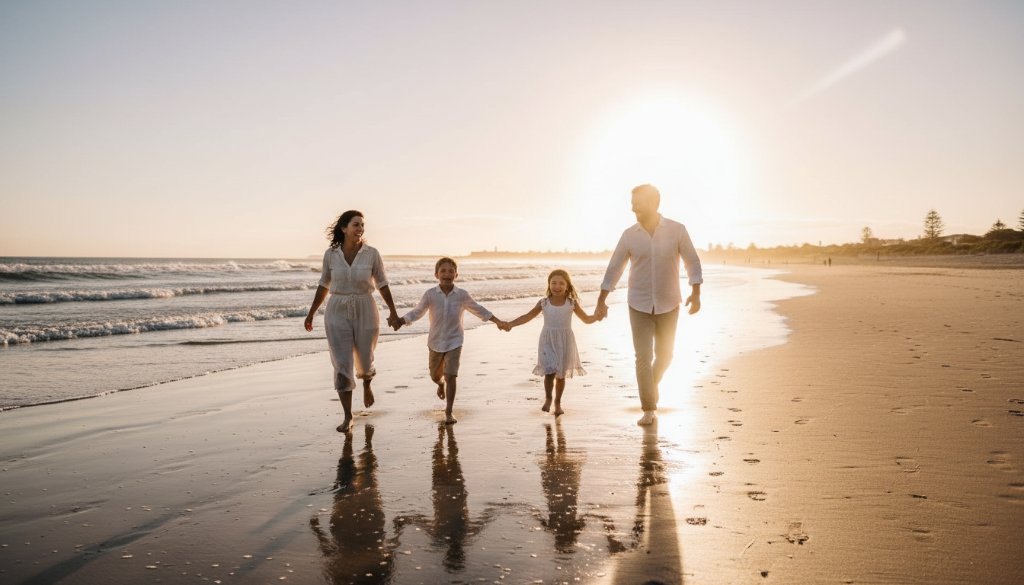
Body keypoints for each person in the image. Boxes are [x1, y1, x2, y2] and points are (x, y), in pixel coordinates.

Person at [596, 184, 703, 426]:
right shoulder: (629, 235)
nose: (633, 206)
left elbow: (692, 262)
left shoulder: (677, 230)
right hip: (638, 304)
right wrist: (602, 299)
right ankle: (648, 408)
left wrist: (695, 291)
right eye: (632, 202)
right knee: (642, 358)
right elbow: (615, 267)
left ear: (654, 202)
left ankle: (650, 385)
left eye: (638, 201)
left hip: (669, 302)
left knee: (665, 355)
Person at [304, 210, 400, 433]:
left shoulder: (371, 253)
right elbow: (323, 284)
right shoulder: (331, 254)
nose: (360, 229)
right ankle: (348, 417)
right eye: (355, 225)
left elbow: (383, 283)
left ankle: (367, 382)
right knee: (341, 364)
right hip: (336, 309)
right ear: (344, 228)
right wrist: (311, 313)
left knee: (365, 360)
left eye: (362, 225)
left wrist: (393, 312)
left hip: (366, 307)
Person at [392, 257, 506, 424]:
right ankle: (440, 384)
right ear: (436, 274)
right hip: (435, 342)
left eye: (451, 271)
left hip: (455, 341)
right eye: (443, 271)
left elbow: (478, 309)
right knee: (434, 375)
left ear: (456, 275)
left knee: (451, 375)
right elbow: (418, 312)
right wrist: (402, 320)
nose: (447, 274)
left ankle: (449, 411)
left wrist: (497, 321)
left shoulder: (462, 295)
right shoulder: (430, 294)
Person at [502, 269, 600, 416]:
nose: (557, 286)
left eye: (561, 283)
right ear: (549, 285)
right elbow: (528, 316)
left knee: (560, 375)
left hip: (565, 341)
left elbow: (586, 319)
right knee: (549, 371)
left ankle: (557, 402)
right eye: (553, 283)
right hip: (547, 340)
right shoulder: (544, 303)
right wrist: (511, 324)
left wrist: (598, 316)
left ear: (567, 286)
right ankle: (548, 398)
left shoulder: (571, 303)